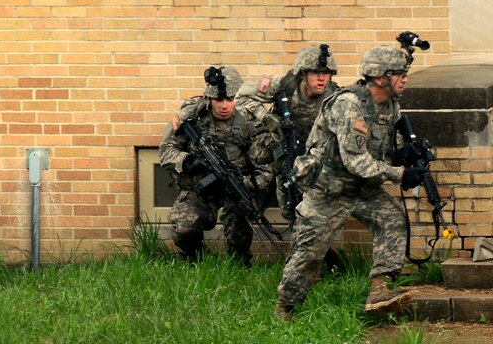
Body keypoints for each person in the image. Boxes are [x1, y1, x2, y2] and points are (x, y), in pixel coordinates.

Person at [274, 46, 421, 321]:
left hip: (363, 190)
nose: (404, 79)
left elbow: (385, 143)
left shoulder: (390, 104)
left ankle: (380, 289)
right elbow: (355, 161)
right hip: (329, 191)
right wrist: (400, 174)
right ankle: (285, 308)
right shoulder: (349, 104)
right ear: (379, 77)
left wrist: (408, 155)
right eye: (399, 74)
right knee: (309, 255)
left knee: (392, 220)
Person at [159, 66, 275, 265]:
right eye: (219, 100)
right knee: (185, 225)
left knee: (239, 224)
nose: (224, 105)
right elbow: (166, 150)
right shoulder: (192, 117)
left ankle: (239, 265)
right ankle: (192, 261)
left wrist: (244, 183)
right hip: (200, 188)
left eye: (230, 99)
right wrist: (186, 160)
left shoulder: (251, 122)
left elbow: (265, 170)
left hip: (236, 188)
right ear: (209, 99)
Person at [239, 44, 340, 221]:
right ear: (302, 73)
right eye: (316, 73)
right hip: (285, 151)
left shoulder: (335, 96)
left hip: (315, 158)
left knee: (314, 210)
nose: (322, 78)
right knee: (289, 208)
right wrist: (266, 118)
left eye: (326, 73)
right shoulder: (283, 85)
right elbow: (241, 96)